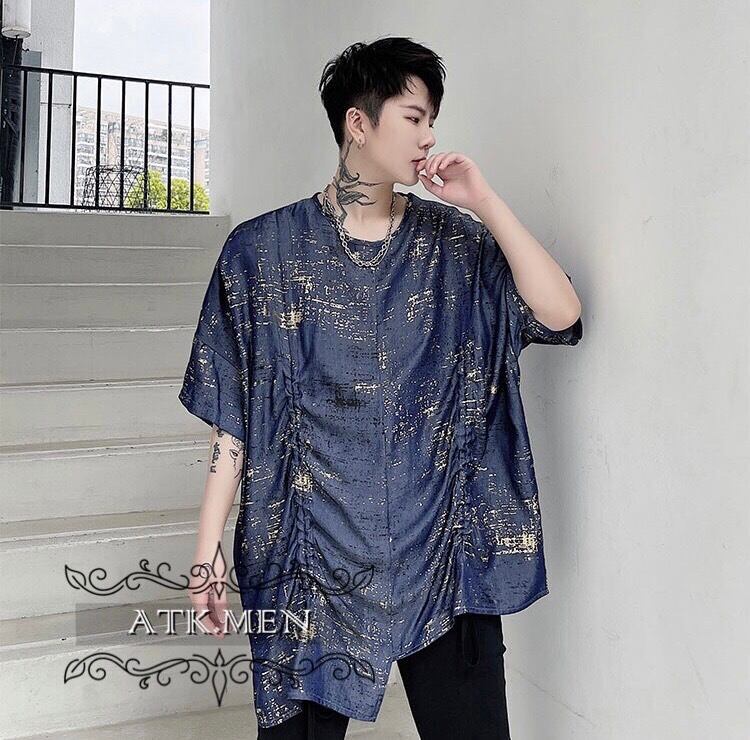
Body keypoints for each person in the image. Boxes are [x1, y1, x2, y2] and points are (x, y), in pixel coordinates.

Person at [179, 36, 583, 739]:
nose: (429, 137)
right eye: (414, 117)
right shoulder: (262, 253)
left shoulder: (454, 245)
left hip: (443, 555)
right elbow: (235, 416)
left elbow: (561, 313)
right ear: (358, 124)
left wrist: (485, 202)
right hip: (309, 561)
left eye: (432, 121)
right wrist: (207, 547)